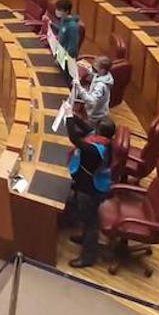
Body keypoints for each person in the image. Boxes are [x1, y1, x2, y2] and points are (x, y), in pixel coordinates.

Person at [63, 114, 116, 268]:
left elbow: (75, 140)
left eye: (96, 128)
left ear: (99, 131)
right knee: (84, 215)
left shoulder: (96, 149)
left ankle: (88, 257)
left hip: (92, 188)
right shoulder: (102, 140)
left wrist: (68, 119)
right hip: (87, 185)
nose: (93, 130)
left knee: (91, 221)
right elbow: (87, 129)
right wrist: (73, 115)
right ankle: (84, 236)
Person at [71, 55, 114, 127]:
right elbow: (95, 73)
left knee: (88, 130)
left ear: (102, 70)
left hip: (95, 117)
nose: (93, 69)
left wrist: (79, 87)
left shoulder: (101, 86)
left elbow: (91, 101)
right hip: (93, 110)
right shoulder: (104, 74)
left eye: (95, 68)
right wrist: (87, 68)